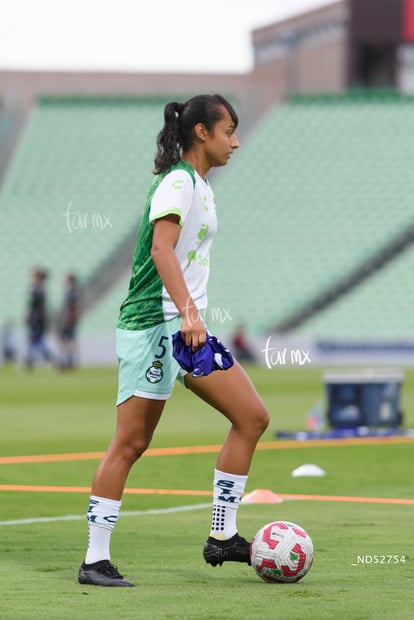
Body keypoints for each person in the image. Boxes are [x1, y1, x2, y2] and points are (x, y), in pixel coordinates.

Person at [78, 94, 270, 587]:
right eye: (229, 131)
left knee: (251, 417)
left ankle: (222, 536)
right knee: (130, 442)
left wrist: (192, 315)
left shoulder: (200, 185)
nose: (236, 141)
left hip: (184, 326)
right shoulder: (179, 182)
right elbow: (161, 248)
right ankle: (94, 560)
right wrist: (188, 312)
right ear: (202, 132)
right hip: (155, 323)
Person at [25, 269, 52, 368]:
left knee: (35, 338)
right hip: (38, 318)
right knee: (35, 339)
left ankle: (46, 357)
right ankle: (30, 359)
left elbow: (33, 305)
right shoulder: (40, 288)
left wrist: (29, 315)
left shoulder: (37, 289)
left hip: (37, 318)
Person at [57, 273, 80, 369]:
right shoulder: (71, 291)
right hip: (68, 320)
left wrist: (70, 320)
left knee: (67, 340)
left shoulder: (72, 292)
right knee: (67, 340)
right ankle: (69, 361)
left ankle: (69, 361)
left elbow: (73, 308)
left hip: (69, 321)